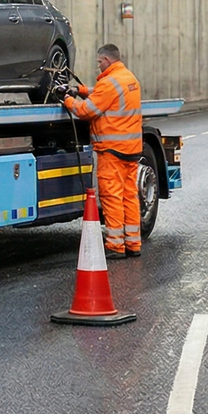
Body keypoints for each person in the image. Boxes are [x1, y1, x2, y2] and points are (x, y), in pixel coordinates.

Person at [60, 43, 144, 258]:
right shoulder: (129, 78)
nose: (98, 67)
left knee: (111, 196)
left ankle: (116, 245)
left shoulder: (109, 83)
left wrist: (67, 99)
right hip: (131, 149)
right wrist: (80, 90)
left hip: (112, 151)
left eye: (99, 63)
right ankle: (133, 243)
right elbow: (103, 95)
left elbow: (87, 110)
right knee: (129, 196)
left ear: (106, 60)